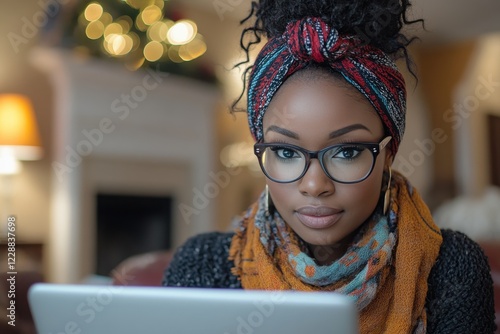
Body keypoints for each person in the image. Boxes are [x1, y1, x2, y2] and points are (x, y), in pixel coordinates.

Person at [162, 0, 496, 332]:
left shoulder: (452, 267)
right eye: (286, 152)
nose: (314, 184)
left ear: (388, 154)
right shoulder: (204, 266)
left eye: (347, 152)